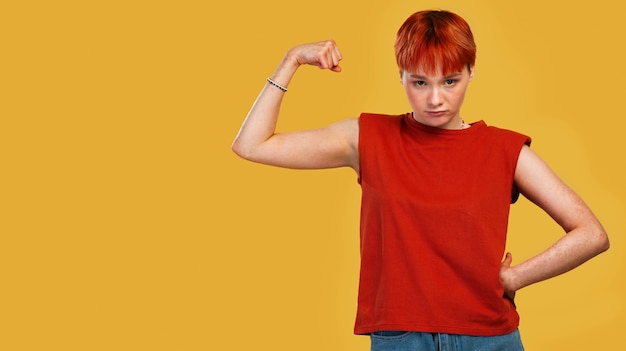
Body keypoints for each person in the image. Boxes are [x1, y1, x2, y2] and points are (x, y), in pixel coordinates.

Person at [232, 9, 609, 351]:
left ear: (471, 72)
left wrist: (514, 278)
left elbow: (591, 233)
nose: (434, 99)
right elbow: (252, 145)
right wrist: (291, 60)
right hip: (401, 337)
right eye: (419, 82)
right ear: (400, 76)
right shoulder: (368, 138)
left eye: (449, 81)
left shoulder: (504, 150)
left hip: (488, 336)